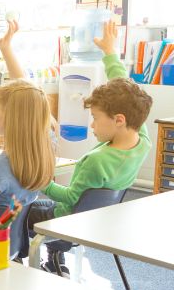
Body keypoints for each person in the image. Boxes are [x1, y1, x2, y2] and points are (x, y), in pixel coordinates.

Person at [28, 21, 153, 276]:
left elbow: (69, 199)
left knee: (20, 213)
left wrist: (41, 180)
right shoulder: (142, 140)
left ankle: (23, 261)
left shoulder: (97, 160)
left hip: (65, 220)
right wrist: (110, 53)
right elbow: (126, 90)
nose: (92, 124)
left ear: (119, 120)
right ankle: (56, 255)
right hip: (93, 223)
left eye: (95, 117)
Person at [0, 20, 56, 259]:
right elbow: (32, 98)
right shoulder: (46, 147)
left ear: (10, 118)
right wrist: (6, 50)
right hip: (11, 247)